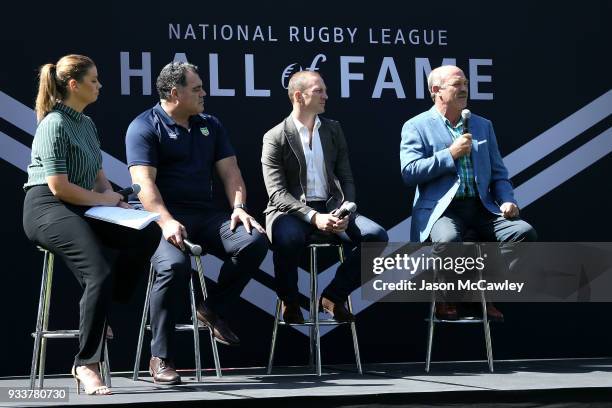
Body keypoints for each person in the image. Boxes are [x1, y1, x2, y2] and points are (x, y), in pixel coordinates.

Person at [23, 55, 161, 395]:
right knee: (97, 272)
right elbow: (58, 186)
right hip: (47, 207)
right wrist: (104, 200)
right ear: (74, 85)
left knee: (148, 233)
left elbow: (99, 180)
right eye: (94, 80)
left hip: (84, 205)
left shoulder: (86, 124)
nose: (100, 86)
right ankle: (86, 363)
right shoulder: (53, 123)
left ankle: (102, 315)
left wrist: (115, 199)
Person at [125, 61, 268, 385]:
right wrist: (166, 222)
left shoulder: (210, 125)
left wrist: (239, 207)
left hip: (205, 214)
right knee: (174, 266)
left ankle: (211, 309)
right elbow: (144, 185)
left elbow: (232, 174)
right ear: (175, 93)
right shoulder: (144, 126)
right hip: (158, 217)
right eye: (197, 89)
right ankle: (160, 357)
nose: (204, 93)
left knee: (253, 241)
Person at [399, 65, 537, 320]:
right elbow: (409, 172)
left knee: (523, 233)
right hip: (443, 210)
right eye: (456, 84)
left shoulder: (483, 125)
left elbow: (499, 174)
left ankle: (477, 292)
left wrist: (507, 200)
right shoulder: (416, 126)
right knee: (448, 241)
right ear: (436, 90)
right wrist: (450, 154)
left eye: (465, 84)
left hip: (482, 207)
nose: (464, 89)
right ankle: (447, 295)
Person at [261, 71, 388, 324]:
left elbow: (346, 176)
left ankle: (333, 296)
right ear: (299, 96)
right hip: (291, 211)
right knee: (288, 238)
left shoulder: (333, 129)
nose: (326, 96)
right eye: (319, 91)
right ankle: (289, 301)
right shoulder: (274, 136)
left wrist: (346, 211)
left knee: (376, 236)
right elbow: (276, 193)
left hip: (333, 207)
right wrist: (313, 217)